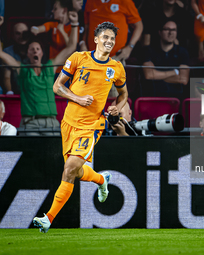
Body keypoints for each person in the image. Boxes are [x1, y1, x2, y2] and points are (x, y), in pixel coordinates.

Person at [32, 21, 128, 233]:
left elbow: (124, 94)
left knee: (69, 169)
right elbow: (57, 86)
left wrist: (117, 107)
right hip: (68, 122)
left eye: (112, 39)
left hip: (92, 125)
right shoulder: (78, 58)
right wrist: (77, 98)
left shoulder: (116, 68)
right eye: (105, 37)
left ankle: (48, 218)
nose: (109, 42)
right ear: (96, 39)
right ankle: (102, 179)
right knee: (73, 171)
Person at [0, 12, 79, 136]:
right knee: (31, 154)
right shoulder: (22, 69)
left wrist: (74, 24)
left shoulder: (49, 67)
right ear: (28, 54)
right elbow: (1, 53)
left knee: (56, 154)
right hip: (30, 123)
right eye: (32, 49)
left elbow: (71, 47)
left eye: (37, 49)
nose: (35, 51)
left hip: (51, 123)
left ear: (42, 53)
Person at [142, 20, 190, 98]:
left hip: (176, 98)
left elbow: (183, 79)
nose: (170, 32)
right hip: (153, 96)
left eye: (173, 30)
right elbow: (149, 75)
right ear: (160, 32)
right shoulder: (149, 50)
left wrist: (158, 77)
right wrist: (175, 72)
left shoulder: (182, 52)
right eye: (167, 29)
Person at [2, 22, 29, 95]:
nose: (21, 36)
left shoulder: (35, 50)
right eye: (18, 33)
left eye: (24, 33)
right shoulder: (8, 51)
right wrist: (9, 92)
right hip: (15, 91)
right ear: (13, 36)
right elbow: (6, 76)